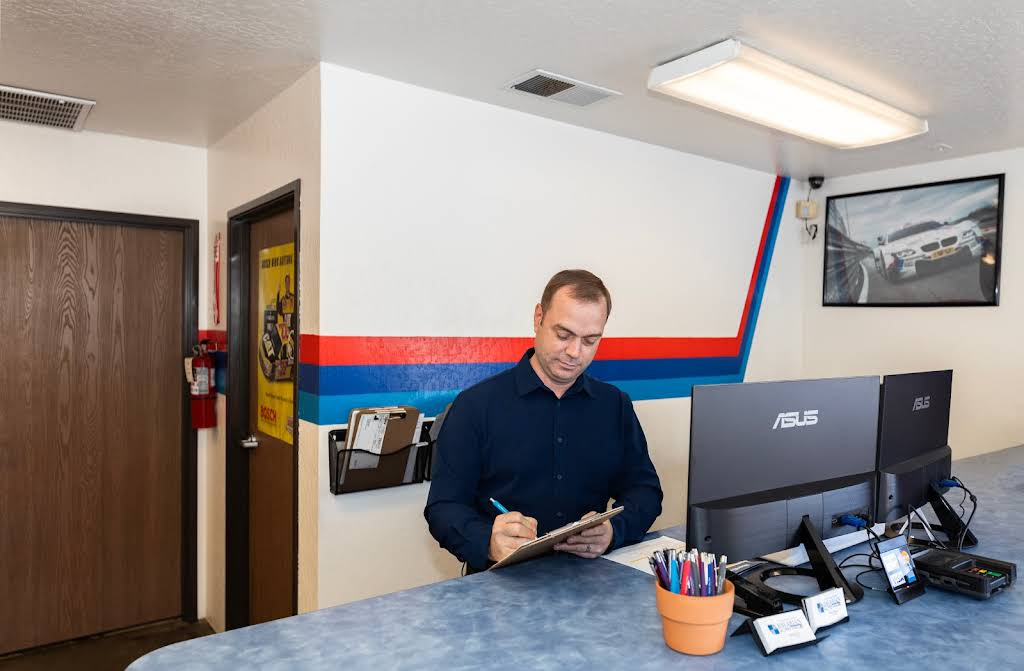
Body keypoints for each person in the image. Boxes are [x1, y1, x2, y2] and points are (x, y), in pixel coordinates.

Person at [424, 269, 663, 571]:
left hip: (591, 581)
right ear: (538, 318)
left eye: (590, 340)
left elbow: (645, 491)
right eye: (563, 335)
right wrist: (487, 540)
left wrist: (616, 530)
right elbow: (443, 507)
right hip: (501, 588)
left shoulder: (614, 405)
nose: (574, 352)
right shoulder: (475, 407)